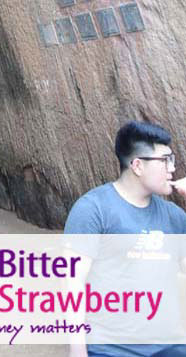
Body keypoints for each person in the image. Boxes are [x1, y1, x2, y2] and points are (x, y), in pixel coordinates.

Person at [64, 120, 186, 357]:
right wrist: (77, 350)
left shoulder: (175, 216)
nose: (172, 168)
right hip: (112, 348)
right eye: (165, 160)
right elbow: (72, 285)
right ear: (138, 165)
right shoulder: (92, 209)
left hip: (169, 345)